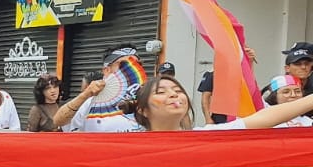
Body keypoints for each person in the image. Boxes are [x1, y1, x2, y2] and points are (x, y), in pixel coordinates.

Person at [132, 75, 313, 131]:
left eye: (178, 91)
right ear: (143, 111)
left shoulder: (206, 136)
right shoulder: (129, 146)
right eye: (161, 92)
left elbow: (264, 119)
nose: (174, 95)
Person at [53, 48, 145, 133]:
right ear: (107, 70)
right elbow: (58, 121)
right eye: (124, 65)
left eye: (137, 64)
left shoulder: (148, 99)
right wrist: (85, 95)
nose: (131, 69)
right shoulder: (89, 103)